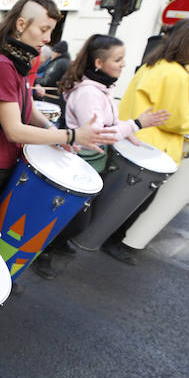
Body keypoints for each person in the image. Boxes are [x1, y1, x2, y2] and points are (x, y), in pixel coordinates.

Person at [0, 0, 117, 231]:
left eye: (51, 31)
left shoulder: (18, 62)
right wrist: (71, 136)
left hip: (9, 165)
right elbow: (14, 130)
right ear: (21, 25)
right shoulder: (1, 66)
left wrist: (51, 130)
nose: (47, 39)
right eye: (44, 29)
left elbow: (29, 108)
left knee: (3, 243)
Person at [100, 19, 189, 264]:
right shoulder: (176, 73)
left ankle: (102, 239)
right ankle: (112, 243)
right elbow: (174, 118)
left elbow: (181, 108)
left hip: (136, 141)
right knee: (136, 204)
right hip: (153, 149)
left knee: (115, 198)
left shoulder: (156, 64)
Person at [32, 34, 170, 279]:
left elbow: (112, 122)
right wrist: (137, 124)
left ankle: (51, 244)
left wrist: (129, 134)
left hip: (93, 163)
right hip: (79, 163)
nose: (123, 64)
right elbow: (96, 134)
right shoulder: (88, 93)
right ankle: (41, 251)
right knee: (77, 221)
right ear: (98, 63)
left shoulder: (104, 88)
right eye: (118, 59)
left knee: (80, 216)